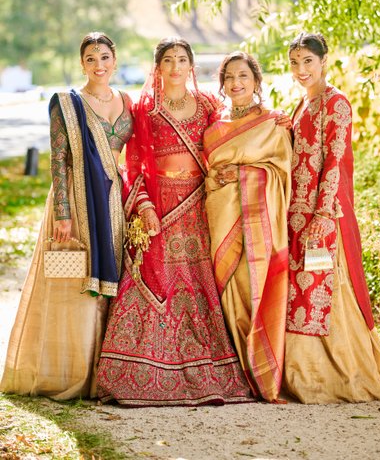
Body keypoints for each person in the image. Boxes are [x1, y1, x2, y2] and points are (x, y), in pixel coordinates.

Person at [97, 37, 253, 406]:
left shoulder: (209, 106)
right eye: (168, 60)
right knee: (152, 281)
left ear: (191, 66)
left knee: (200, 285)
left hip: (199, 208)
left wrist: (271, 123)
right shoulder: (145, 110)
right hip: (159, 211)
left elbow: (230, 141)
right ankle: (140, 371)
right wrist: (145, 206)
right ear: (158, 67)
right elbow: (132, 165)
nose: (176, 67)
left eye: (182, 60)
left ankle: (207, 369)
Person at [0, 32, 133, 400]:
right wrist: (62, 214)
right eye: (90, 58)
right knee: (73, 281)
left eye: (104, 57)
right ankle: (69, 369)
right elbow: (58, 159)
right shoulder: (67, 103)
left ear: (115, 60)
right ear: (82, 64)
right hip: (75, 200)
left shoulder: (127, 101)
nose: (99, 64)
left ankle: (104, 367)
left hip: (112, 200)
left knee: (112, 279)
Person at [284, 32, 380, 403]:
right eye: (295, 63)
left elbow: (334, 161)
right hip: (296, 214)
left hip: (324, 214)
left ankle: (342, 375)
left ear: (323, 62)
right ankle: (299, 373)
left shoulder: (336, 104)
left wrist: (322, 213)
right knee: (301, 289)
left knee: (326, 288)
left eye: (308, 62)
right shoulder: (301, 104)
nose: (302, 70)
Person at [203, 51, 293, 402]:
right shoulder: (213, 129)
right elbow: (207, 176)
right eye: (229, 77)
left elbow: (283, 172)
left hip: (260, 224)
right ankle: (239, 371)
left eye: (243, 76)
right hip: (222, 220)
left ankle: (263, 371)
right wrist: (218, 178)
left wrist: (242, 174)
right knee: (230, 292)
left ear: (256, 81)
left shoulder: (273, 123)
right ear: (222, 84)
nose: (236, 83)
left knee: (255, 287)